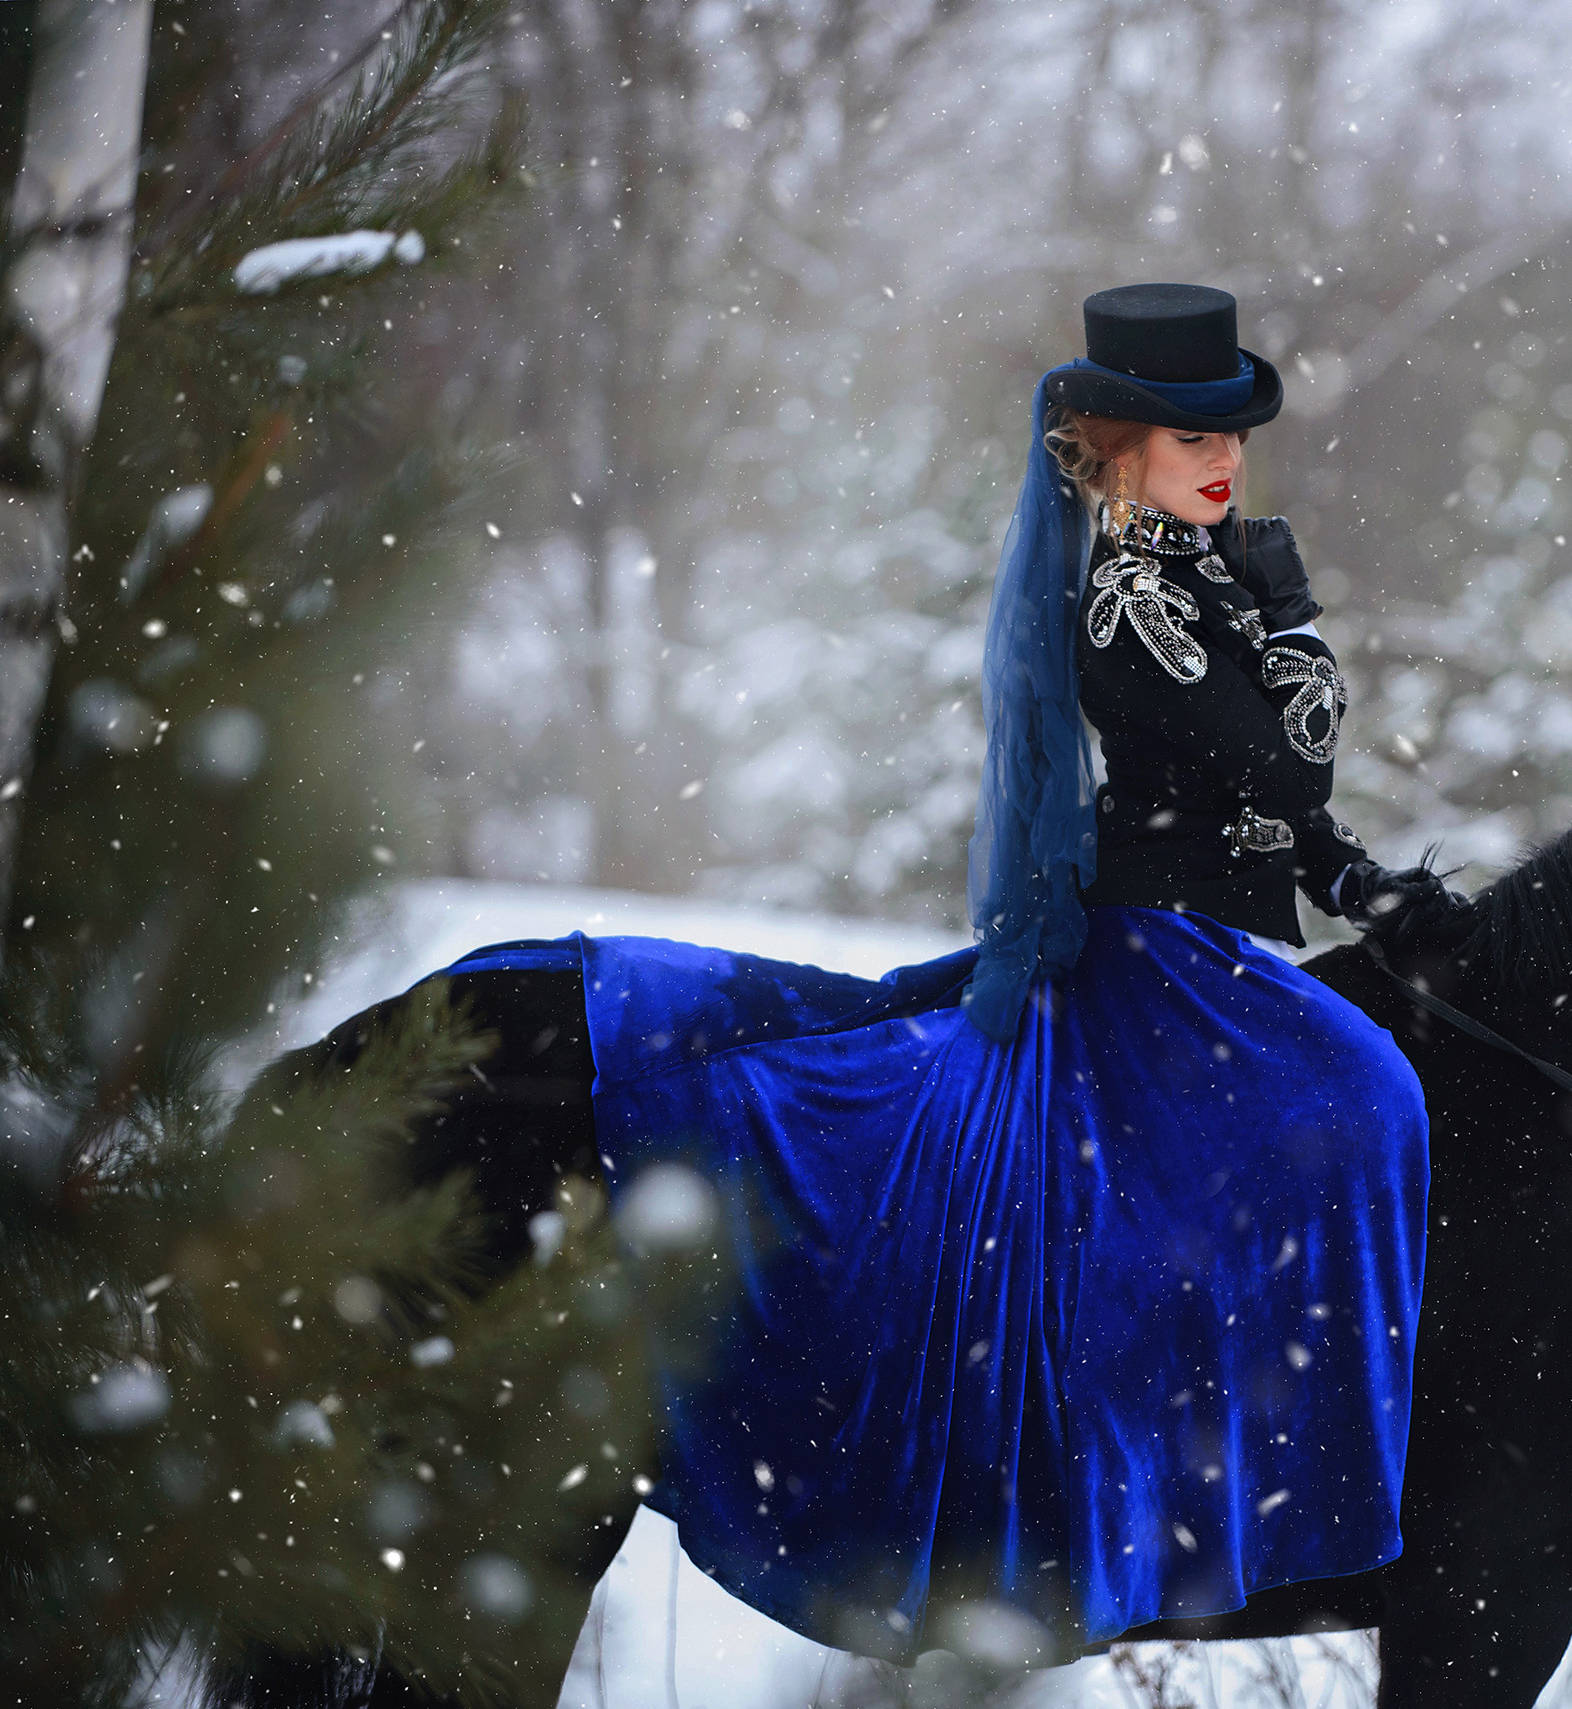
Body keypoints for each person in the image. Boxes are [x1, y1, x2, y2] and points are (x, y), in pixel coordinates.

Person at [441, 283, 1454, 1658]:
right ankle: (1227, 1475)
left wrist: (1354, 881)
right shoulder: (1125, 601)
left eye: (1233, 438)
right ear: (1110, 452)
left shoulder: (1197, 577)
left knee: (1357, 1089)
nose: (1224, 462)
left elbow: (1270, 809)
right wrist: (1294, 610)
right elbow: (1284, 757)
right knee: (1362, 1090)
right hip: (1155, 957)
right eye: (1185, 438)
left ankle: (1247, 1457)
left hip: (1211, 941)